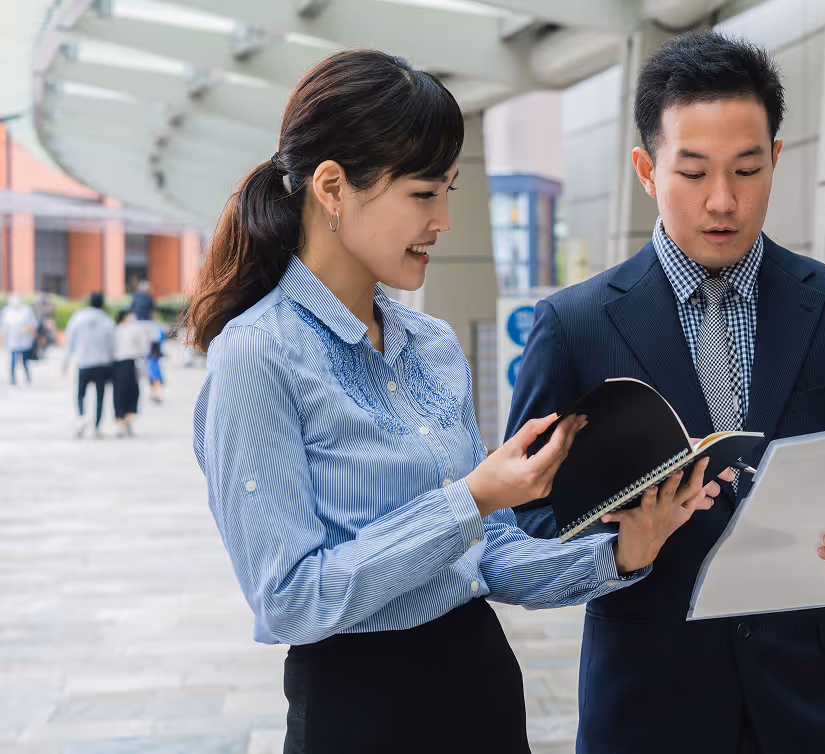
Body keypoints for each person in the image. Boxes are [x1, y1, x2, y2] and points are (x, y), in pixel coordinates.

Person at [186, 49, 732, 754]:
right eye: (422, 193)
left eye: (448, 190)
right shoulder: (257, 355)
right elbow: (290, 599)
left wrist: (624, 552)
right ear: (332, 187)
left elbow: (488, 558)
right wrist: (470, 498)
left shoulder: (433, 344)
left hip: (481, 690)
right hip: (360, 715)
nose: (443, 219)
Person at [507, 32, 825, 754]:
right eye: (694, 172)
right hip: (649, 713)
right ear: (647, 170)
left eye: (746, 170)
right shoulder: (575, 327)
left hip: (822, 712)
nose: (723, 201)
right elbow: (524, 522)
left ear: (776, 158)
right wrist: (621, 546)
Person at [63, 292, 116, 438]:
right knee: (100, 396)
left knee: (80, 394)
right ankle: (97, 427)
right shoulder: (107, 320)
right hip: (102, 363)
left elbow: (70, 340)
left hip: (84, 362)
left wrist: (66, 361)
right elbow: (112, 344)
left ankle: (81, 417)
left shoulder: (78, 317)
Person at [112, 309, 151, 436]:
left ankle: (121, 424)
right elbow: (143, 348)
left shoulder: (115, 330)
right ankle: (128, 419)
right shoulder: (134, 329)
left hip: (117, 364)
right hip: (130, 363)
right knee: (131, 392)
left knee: (118, 393)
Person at [1, 298, 37, 386]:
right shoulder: (7, 312)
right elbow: (3, 328)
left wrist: (26, 330)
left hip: (24, 342)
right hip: (12, 342)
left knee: (25, 362)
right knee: (13, 362)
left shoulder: (26, 312)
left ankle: (28, 378)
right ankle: (13, 380)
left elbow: (33, 326)